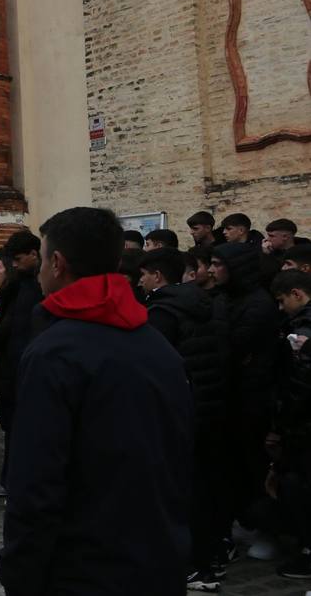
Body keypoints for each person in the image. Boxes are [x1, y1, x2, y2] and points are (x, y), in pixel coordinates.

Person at [0, 207, 192, 596]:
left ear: (57, 263)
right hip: (157, 554)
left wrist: (20, 570)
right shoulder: (156, 343)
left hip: (84, 565)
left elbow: (36, 480)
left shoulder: (54, 353)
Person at [142, 246, 230, 589]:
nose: (140, 280)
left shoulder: (163, 312)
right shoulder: (204, 304)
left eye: (144, 275)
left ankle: (192, 564)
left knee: (180, 492)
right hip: (208, 406)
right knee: (203, 488)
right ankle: (210, 558)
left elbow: (154, 366)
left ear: (158, 276)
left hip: (180, 413)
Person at [212, 240, 281, 559]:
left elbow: (234, 346)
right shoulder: (225, 298)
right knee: (234, 466)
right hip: (232, 398)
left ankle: (268, 530)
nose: (212, 270)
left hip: (251, 400)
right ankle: (246, 521)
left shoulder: (257, 303)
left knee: (255, 468)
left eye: (218, 264)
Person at [0, 232, 44, 499]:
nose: (15, 266)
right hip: (12, 370)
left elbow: (16, 334)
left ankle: (14, 480)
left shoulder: (27, 290)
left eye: (17, 260)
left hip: (18, 371)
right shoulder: (20, 288)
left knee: (19, 433)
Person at [268, 270, 311, 581]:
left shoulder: (302, 331)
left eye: (283, 301)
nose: (281, 309)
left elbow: (300, 385)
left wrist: (281, 425)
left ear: (297, 294)